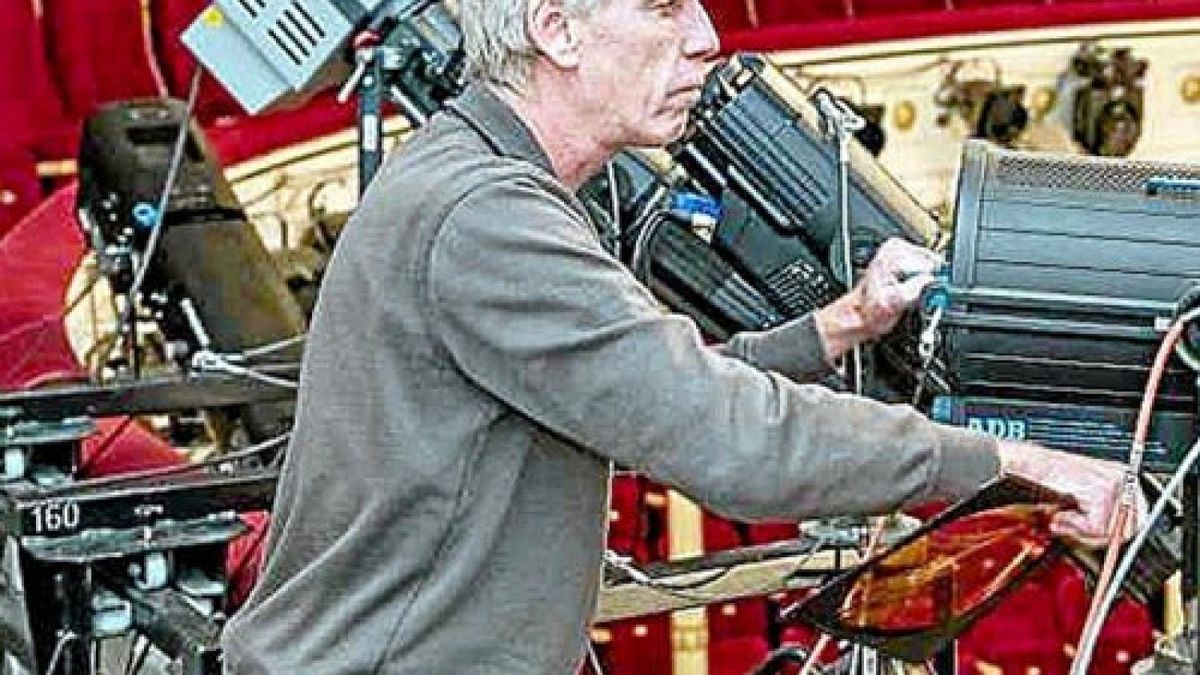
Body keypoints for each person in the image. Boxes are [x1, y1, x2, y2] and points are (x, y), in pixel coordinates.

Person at [221, 1, 1135, 672]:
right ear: (557, 28)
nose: (705, 36)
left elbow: (652, 388)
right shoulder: (486, 216)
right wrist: (1011, 465)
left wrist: (836, 326)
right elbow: (726, 436)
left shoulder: (477, 175)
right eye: (664, 7)